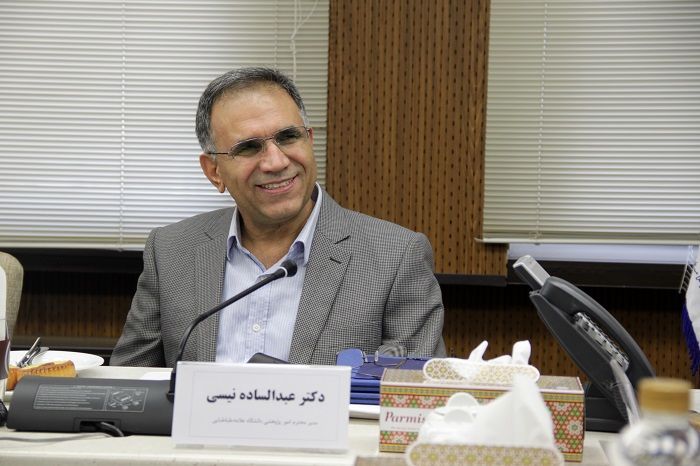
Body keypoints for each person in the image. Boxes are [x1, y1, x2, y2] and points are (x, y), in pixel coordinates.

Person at [111, 67, 446, 368]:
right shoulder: (171, 251)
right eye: (248, 147)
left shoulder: (396, 257)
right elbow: (127, 387)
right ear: (214, 171)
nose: (276, 162)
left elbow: (418, 396)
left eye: (288, 137)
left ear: (309, 141)